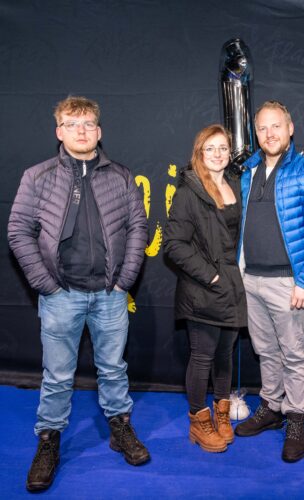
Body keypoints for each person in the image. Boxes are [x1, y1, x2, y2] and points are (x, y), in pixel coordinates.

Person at [7, 96, 150, 492]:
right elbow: (18, 232)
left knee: (113, 369)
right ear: (60, 131)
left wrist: (124, 280)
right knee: (57, 376)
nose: (81, 131)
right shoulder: (37, 177)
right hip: (61, 295)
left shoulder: (121, 176)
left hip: (110, 294)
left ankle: (120, 428)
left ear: (99, 131)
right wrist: (47, 285)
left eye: (88, 124)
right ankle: (48, 441)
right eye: (72, 124)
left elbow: (138, 227)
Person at [234, 101, 304, 463]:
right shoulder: (248, 172)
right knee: (265, 350)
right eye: (262, 128)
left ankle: (295, 418)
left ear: (290, 128)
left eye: (276, 126)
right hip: (252, 279)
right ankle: (271, 407)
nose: (269, 133)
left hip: (289, 282)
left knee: (293, 353)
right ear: (255, 133)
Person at [164, 124, 246, 453]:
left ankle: (221, 415)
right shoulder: (189, 191)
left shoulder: (236, 185)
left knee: (225, 354)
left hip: (233, 286)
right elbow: (173, 244)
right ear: (199, 153)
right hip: (204, 287)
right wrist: (211, 276)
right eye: (209, 148)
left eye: (223, 148)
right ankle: (199, 423)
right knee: (202, 356)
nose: (217, 154)